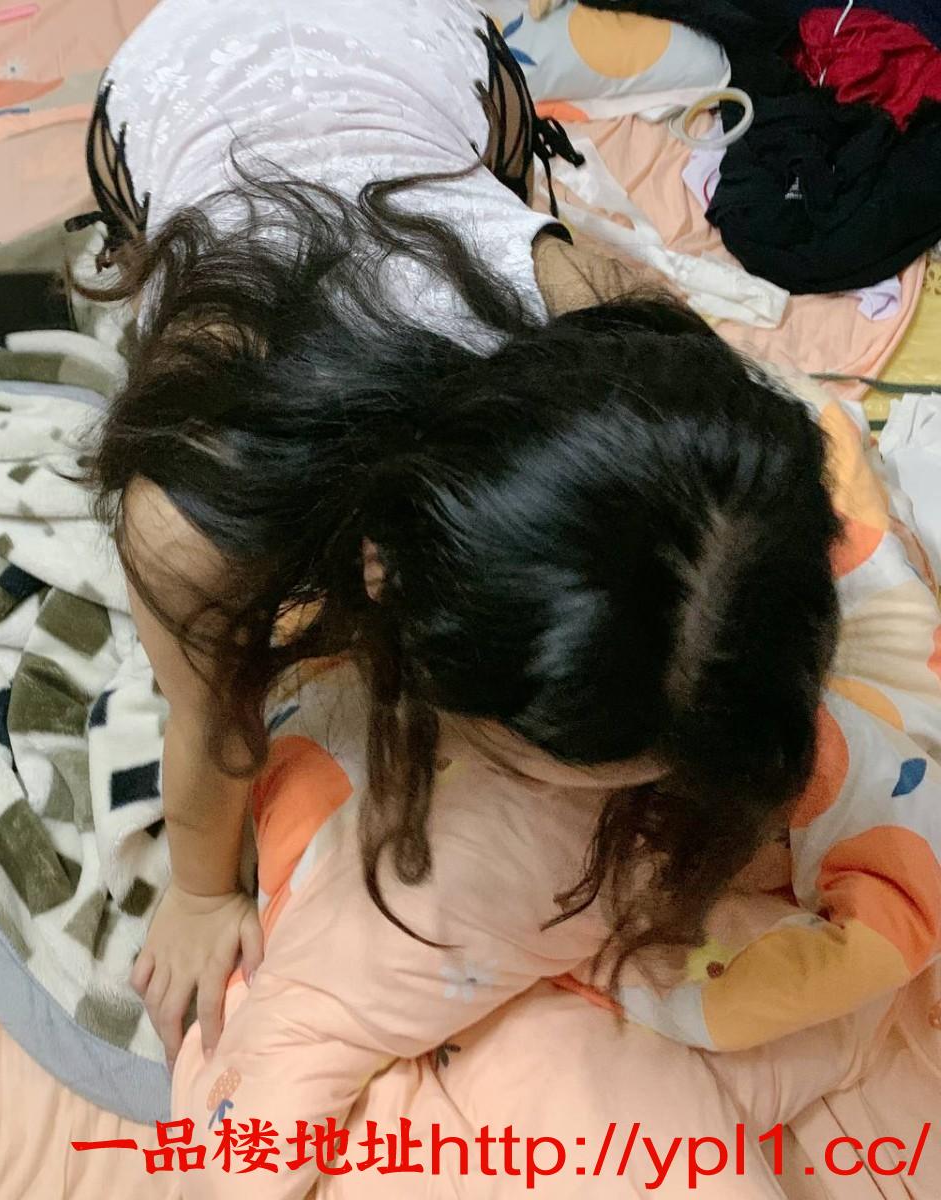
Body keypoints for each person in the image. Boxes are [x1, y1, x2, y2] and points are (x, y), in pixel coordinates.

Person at [78, 0, 841, 1069]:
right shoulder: (194, 516)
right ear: (383, 582)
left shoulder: (625, 326)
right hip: (186, 60)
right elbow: (210, 720)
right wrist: (203, 896)